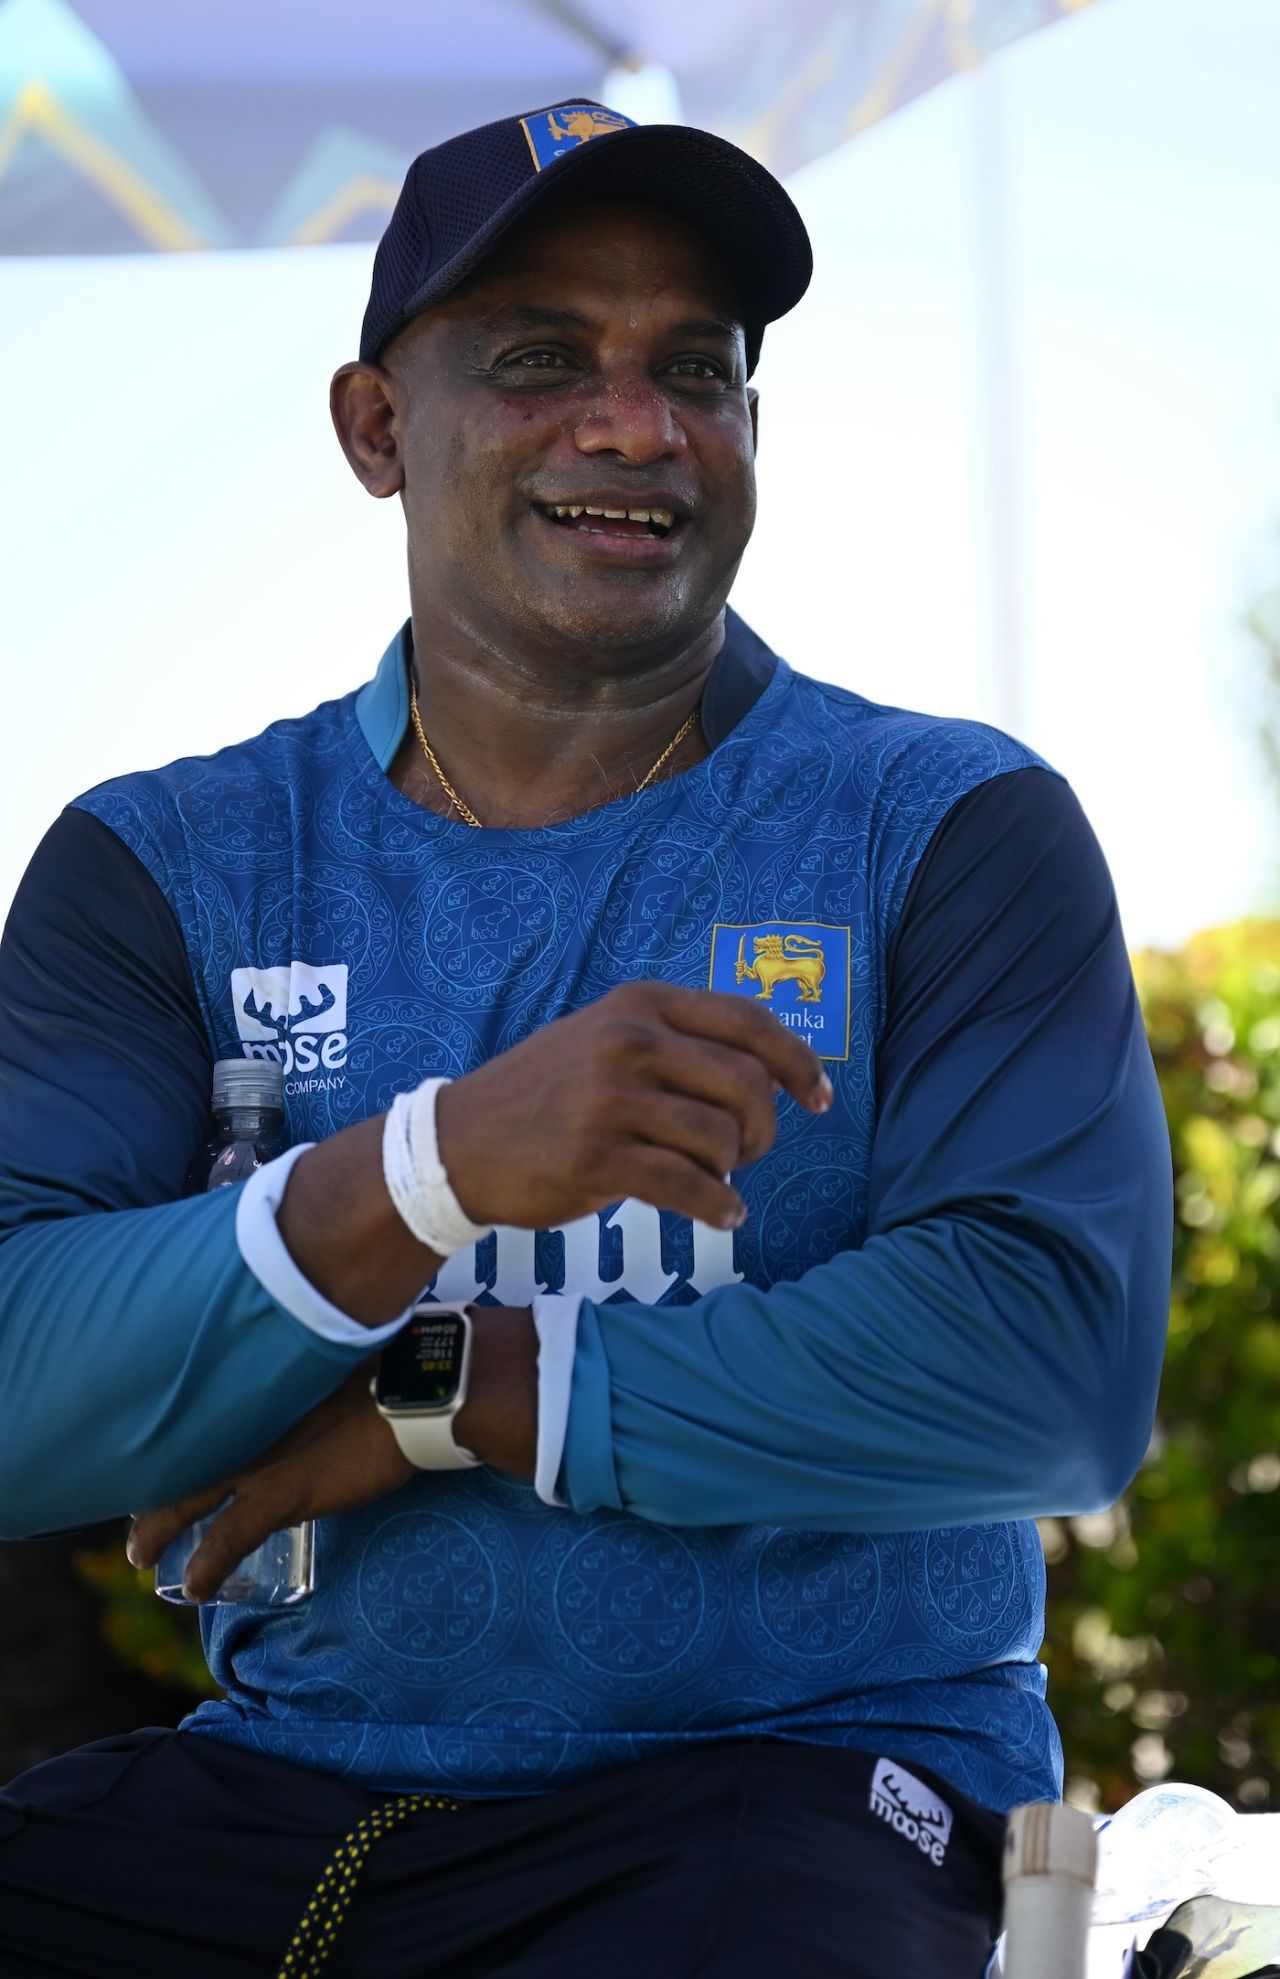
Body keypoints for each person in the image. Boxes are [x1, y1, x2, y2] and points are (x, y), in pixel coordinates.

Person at [0, 99, 1171, 1978]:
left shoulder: (941, 822)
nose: (635, 427)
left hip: (796, 1783)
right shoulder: (167, 865)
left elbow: (1047, 1362)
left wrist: (452, 1389)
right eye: (543, 360)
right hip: (286, 1782)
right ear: (377, 428)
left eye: (694, 369)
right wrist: (428, 1168)